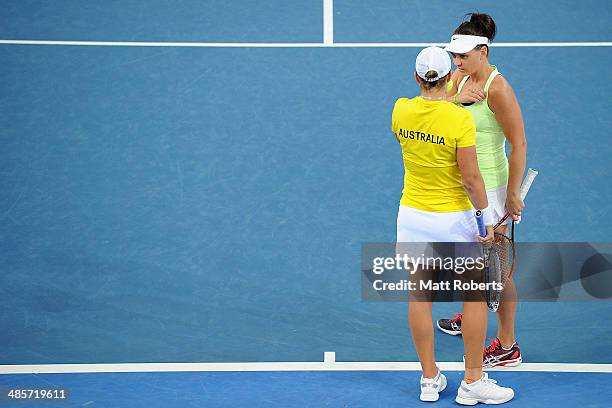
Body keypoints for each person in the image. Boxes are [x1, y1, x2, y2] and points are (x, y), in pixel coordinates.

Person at [393, 46, 514, 404]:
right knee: (474, 297)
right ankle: (472, 381)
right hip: (455, 220)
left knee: (419, 296)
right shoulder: (460, 119)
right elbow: (472, 179)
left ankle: (429, 380)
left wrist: (448, 100)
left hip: (413, 218)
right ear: (450, 77)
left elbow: (428, 114)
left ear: (417, 77)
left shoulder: (400, 110)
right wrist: (486, 218)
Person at [436, 13, 527, 369]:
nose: (455, 63)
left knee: (497, 271)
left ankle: (507, 345)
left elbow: (518, 143)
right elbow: (430, 105)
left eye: (462, 56)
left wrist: (513, 193)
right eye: (454, 56)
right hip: (463, 188)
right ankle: (473, 314)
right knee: (470, 263)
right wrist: (455, 101)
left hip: (491, 190)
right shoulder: (458, 78)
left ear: (483, 51)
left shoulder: (498, 88)